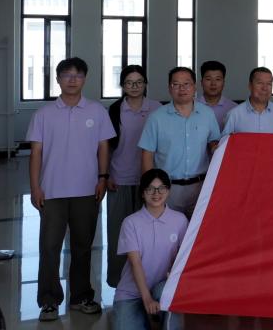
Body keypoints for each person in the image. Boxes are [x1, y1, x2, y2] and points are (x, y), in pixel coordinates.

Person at [27, 57, 115, 321]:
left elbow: (103, 147)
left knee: (82, 247)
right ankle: (49, 301)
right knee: (49, 247)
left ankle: (81, 296)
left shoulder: (97, 111)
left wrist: (102, 178)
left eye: (78, 75)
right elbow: (36, 153)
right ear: (58, 79)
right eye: (67, 75)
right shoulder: (43, 114)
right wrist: (35, 187)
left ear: (85, 79)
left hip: (87, 190)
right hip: (52, 191)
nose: (72, 80)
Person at [105, 65, 163, 289]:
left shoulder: (157, 108)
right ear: (122, 86)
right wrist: (106, 174)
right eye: (129, 82)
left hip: (150, 182)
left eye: (139, 82)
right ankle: (119, 282)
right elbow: (106, 147)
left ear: (146, 84)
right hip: (120, 179)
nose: (135, 86)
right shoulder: (114, 110)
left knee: (150, 233)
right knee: (119, 233)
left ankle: (149, 281)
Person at [139, 67, 221, 218]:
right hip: (167, 189)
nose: (182, 89)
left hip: (200, 188)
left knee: (197, 232)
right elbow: (147, 154)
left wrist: (215, 147)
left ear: (194, 86)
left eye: (186, 84)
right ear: (169, 88)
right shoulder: (156, 118)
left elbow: (214, 143)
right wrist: (150, 189)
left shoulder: (207, 114)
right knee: (168, 231)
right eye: (176, 84)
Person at [112, 168, 188, 330]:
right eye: (150, 189)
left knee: (166, 295)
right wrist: (147, 299)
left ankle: (157, 319)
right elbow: (135, 263)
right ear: (142, 192)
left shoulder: (180, 220)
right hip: (132, 293)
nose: (156, 193)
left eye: (161, 188)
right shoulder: (130, 222)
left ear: (168, 191)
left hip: (163, 289)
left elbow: (182, 259)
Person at [222, 67, 273, 138]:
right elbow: (225, 142)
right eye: (260, 83)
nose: (265, 88)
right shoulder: (234, 115)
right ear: (250, 86)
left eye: (269, 84)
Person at [199, 60, 235, 131]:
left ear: (223, 83)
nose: (213, 84)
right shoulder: (192, 107)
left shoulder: (234, 109)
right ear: (201, 82)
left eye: (218, 79)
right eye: (208, 79)